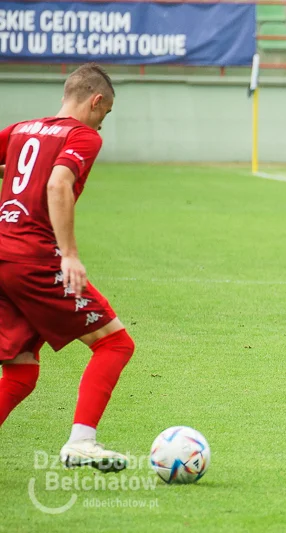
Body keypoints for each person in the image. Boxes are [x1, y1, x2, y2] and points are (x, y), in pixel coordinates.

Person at [0, 64, 135, 471]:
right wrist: (69, 254)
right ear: (96, 101)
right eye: (105, 113)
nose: (102, 123)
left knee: (21, 371)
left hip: (3, 251)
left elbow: (27, 174)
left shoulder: (23, 129)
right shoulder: (83, 136)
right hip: (33, 258)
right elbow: (58, 184)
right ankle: (82, 441)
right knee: (114, 344)